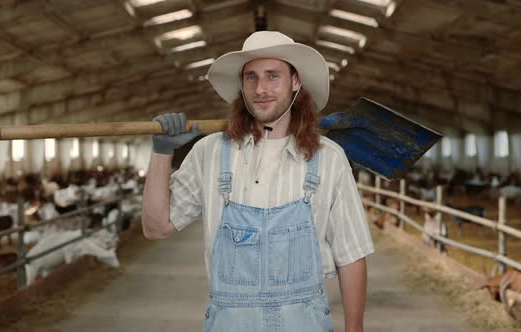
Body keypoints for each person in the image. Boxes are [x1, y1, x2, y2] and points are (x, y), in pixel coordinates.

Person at [142, 31, 374, 332]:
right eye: (251, 77)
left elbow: (351, 254)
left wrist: (354, 330)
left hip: (304, 322)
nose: (261, 88)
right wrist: (162, 153)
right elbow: (155, 227)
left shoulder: (329, 158)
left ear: (295, 82)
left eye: (272, 76)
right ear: (241, 86)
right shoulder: (210, 152)